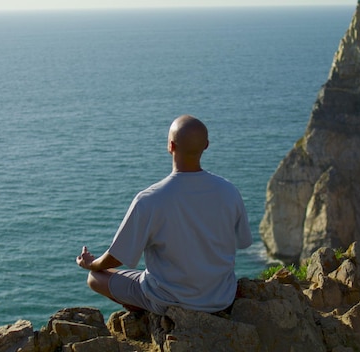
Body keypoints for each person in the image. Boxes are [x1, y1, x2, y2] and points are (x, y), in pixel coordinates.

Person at [76, 114, 253, 315]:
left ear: (170, 146)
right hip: (221, 298)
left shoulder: (150, 199)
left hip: (170, 300)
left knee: (95, 278)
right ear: (206, 146)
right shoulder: (229, 191)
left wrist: (92, 264)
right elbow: (244, 241)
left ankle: (149, 314)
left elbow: (118, 257)